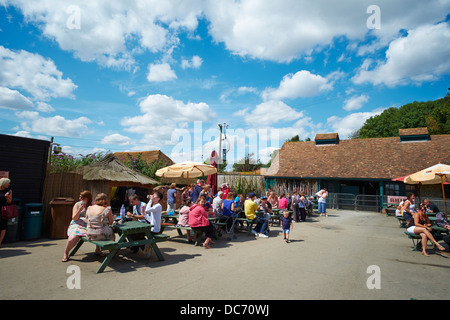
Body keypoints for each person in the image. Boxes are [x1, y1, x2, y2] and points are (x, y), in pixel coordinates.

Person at [61, 190, 92, 262]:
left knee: (99, 231)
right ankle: (66, 253)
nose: (80, 199)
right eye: (80, 197)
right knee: (73, 238)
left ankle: (98, 250)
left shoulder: (92, 206)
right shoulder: (77, 205)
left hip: (87, 225)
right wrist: (79, 210)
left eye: (82, 197)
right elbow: (74, 218)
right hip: (77, 224)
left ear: (87, 199)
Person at [0, 178, 12, 248]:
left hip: (3, 211)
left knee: (3, 227)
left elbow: (9, 202)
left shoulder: (8, 191)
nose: (9, 184)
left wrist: (7, 197)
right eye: (8, 183)